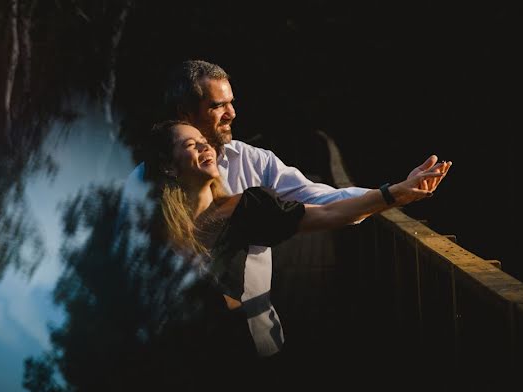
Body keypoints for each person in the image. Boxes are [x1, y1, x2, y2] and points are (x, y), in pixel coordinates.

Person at [122, 59, 451, 358]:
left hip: (254, 344)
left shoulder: (252, 167)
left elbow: (324, 202)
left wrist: (391, 193)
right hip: (175, 356)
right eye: (218, 105)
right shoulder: (139, 188)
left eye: (232, 103)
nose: (232, 113)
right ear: (185, 112)